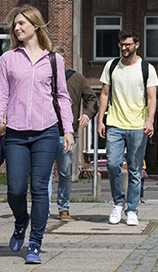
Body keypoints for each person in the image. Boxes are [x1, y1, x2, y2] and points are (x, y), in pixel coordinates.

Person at [0, 4, 75, 264]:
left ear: (36, 26)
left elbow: (62, 96)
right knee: (15, 189)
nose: (17, 28)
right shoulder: (8, 59)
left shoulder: (54, 59)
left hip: (46, 132)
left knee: (39, 189)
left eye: (22, 23)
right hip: (15, 132)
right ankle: (21, 220)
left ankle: (35, 243)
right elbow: (0, 95)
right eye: (15, 25)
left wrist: (67, 129)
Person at [97, 29, 158, 226]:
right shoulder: (112, 66)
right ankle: (117, 203)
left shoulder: (146, 68)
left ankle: (132, 209)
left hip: (138, 126)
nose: (124, 48)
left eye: (128, 45)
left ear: (136, 45)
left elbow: (151, 98)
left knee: (134, 169)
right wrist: (100, 120)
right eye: (122, 45)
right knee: (113, 165)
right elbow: (105, 94)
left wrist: (150, 121)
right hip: (114, 123)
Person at [48, 68, 97, 221]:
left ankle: (64, 207)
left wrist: (87, 114)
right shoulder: (43, 75)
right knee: (44, 173)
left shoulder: (77, 78)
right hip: (45, 132)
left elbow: (92, 98)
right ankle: (43, 207)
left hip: (67, 134)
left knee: (64, 172)